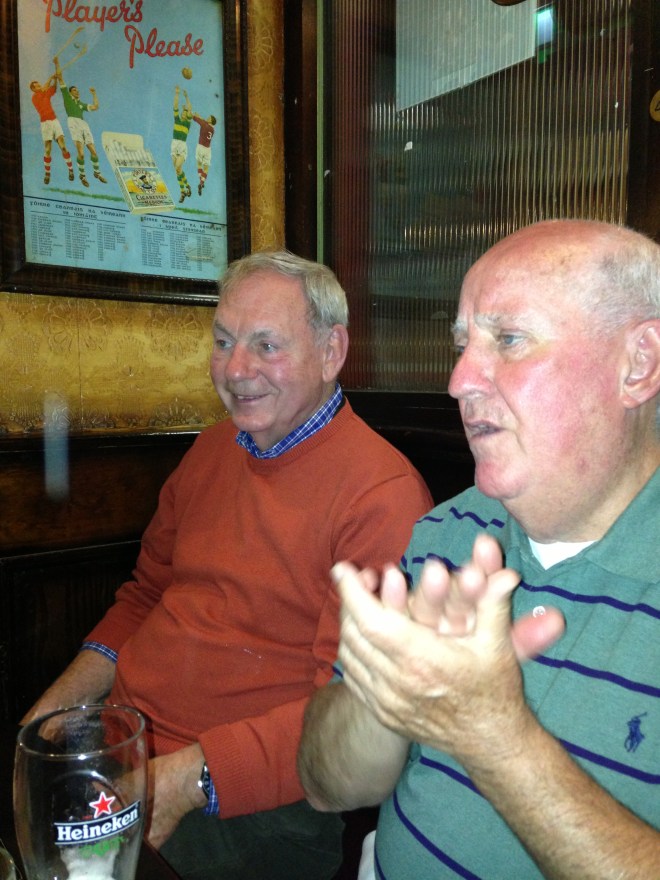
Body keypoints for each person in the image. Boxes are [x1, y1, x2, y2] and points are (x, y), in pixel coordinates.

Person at [22, 251, 433, 880]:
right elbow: (146, 595)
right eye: (223, 341)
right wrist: (46, 719)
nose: (236, 369)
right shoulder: (213, 449)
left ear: (331, 351)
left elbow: (351, 711)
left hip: (257, 800)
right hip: (128, 749)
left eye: (266, 345)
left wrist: (180, 782)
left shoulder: (382, 497)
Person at [298, 219, 660, 879]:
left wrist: (494, 738)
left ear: (638, 364)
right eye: (462, 345)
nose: (460, 379)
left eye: (509, 339)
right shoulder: (450, 530)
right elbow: (327, 785)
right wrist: (389, 691)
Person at [55, 58, 107, 187]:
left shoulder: (81, 104)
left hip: (83, 124)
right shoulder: (67, 97)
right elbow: (60, 77)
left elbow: (95, 107)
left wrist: (94, 94)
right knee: (81, 154)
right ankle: (82, 176)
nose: (77, 91)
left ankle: (97, 173)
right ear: (70, 92)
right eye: (74, 90)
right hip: (73, 123)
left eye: (77, 90)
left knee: (93, 152)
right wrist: (57, 63)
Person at [29, 61, 74, 185]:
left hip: (54, 121)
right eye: (37, 86)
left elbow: (53, 88)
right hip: (45, 124)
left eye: (39, 84)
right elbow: (45, 87)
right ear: (33, 89)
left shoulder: (45, 93)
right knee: (48, 150)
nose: (39, 86)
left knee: (63, 146)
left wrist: (55, 79)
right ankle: (47, 174)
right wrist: (50, 77)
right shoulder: (35, 97)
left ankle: (70, 170)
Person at [171, 85, 193, 203]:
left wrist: (186, 97)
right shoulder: (177, 120)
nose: (184, 114)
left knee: (177, 167)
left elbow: (190, 108)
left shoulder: (187, 124)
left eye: (185, 113)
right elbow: (175, 106)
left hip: (182, 147)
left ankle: (183, 191)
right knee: (178, 171)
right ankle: (187, 186)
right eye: (183, 113)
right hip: (174, 145)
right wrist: (177, 93)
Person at [192, 112, 216, 196]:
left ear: (210, 121)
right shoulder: (212, 130)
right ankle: (201, 183)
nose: (207, 117)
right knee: (206, 168)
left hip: (200, 147)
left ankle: (201, 181)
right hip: (207, 150)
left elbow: (196, 118)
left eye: (209, 117)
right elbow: (204, 121)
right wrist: (200, 116)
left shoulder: (204, 124)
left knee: (199, 164)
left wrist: (194, 115)